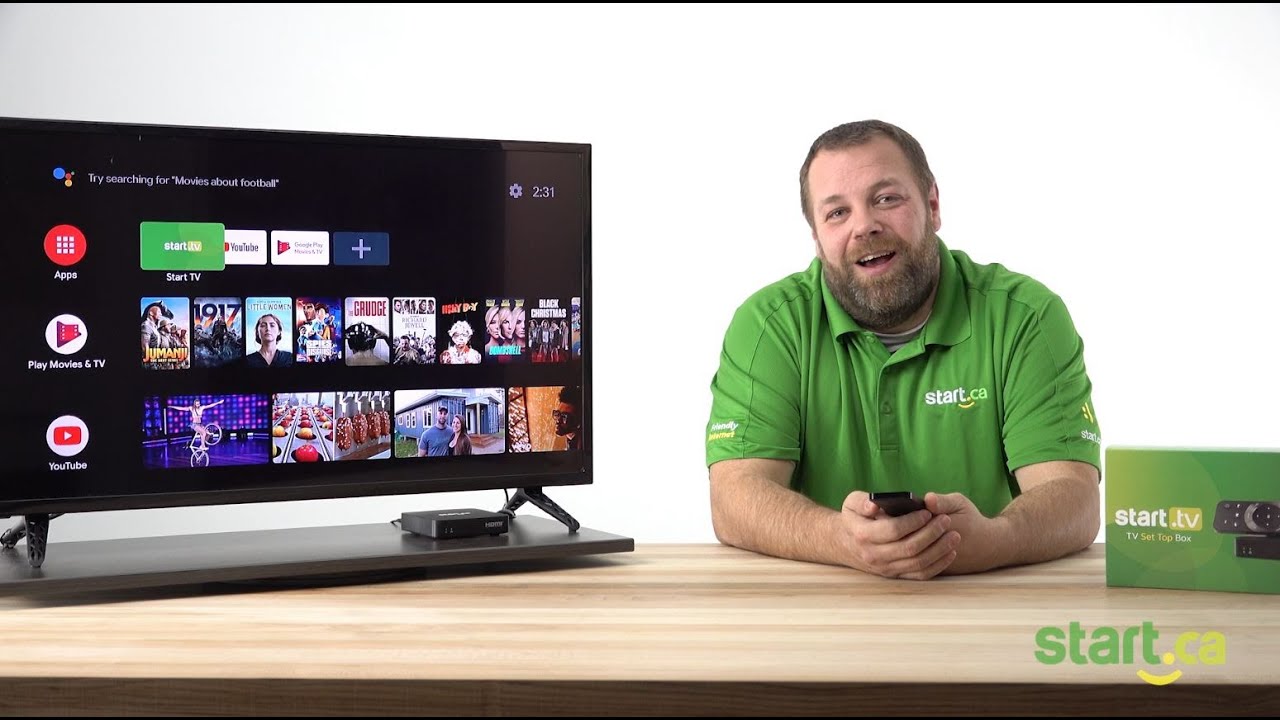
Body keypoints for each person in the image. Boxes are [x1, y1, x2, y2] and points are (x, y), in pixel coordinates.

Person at [705, 120, 1101, 581]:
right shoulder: (768, 326)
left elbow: (1074, 498)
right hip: (816, 618)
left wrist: (995, 539)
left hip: (989, 611)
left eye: (886, 199)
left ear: (932, 206)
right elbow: (734, 497)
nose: (864, 226)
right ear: (816, 236)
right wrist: (841, 538)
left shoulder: (1026, 317)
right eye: (836, 213)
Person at [553, 386, 582, 450]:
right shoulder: (570, 438)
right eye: (558, 414)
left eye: (564, 417)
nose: (558, 420)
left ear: (578, 421)